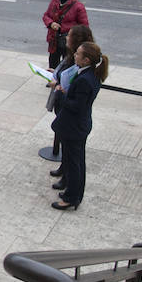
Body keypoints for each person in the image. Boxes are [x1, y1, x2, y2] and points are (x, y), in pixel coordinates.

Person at [51, 42, 109, 210]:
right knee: (73, 160)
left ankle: (71, 198)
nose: (74, 55)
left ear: (86, 60)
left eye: (78, 54)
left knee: (76, 163)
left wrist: (61, 92)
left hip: (74, 126)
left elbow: (77, 106)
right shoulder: (88, 74)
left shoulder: (85, 80)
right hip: (77, 125)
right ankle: (71, 191)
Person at [46, 24, 95, 187]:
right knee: (67, 148)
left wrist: (59, 90)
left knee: (73, 154)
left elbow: (76, 101)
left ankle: (69, 186)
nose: (66, 37)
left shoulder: (84, 74)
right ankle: (64, 170)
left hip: (73, 119)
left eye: (69, 35)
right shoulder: (73, 59)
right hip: (69, 113)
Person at [43, 0, 89, 69]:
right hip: (54, 40)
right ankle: (52, 81)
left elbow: (84, 26)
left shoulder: (78, 6)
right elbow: (46, 16)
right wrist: (51, 23)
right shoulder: (54, 2)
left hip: (69, 41)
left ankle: (62, 83)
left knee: (67, 65)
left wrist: (69, 31)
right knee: (53, 63)